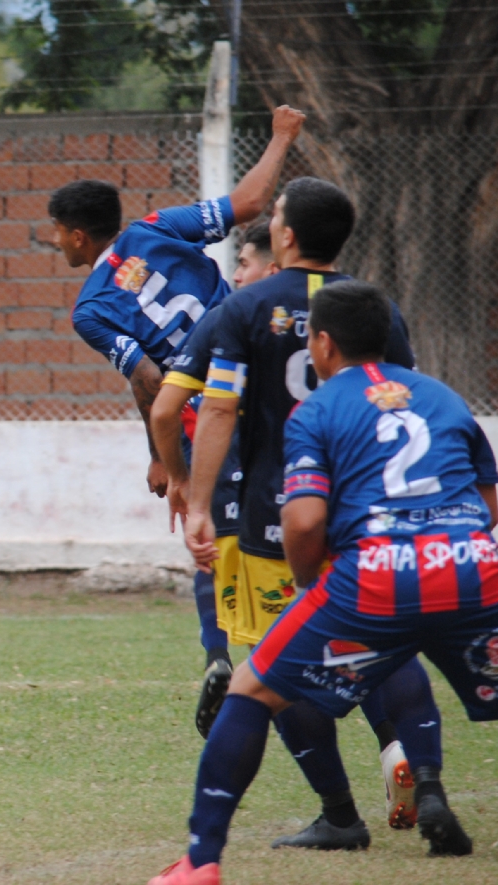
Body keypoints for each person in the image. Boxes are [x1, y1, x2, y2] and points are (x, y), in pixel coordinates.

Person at [148, 281, 498, 885]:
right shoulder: (444, 398)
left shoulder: (317, 410)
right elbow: (487, 509)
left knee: (250, 692)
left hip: (372, 580)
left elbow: (304, 520)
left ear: (322, 344)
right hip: (471, 570)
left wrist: (309, 582)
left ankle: (200, 861)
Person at [174, 176, 442, 849]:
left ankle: (340, 815)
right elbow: (401, 398)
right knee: (386, 643)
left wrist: (198, 502)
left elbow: (216, 407)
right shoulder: (372, 307)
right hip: (364, 516)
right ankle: (422, 774)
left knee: (275, 666)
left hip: (275, 517)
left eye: (276, 214)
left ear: (285, 234)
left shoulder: (246, 305)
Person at [51, 104, 305, 732]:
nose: (54, 241)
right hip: (269, 384)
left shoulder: (90, 309)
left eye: (55, 232)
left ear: (78, 236)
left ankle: (224, 657)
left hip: (208, 413)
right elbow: (249, 202)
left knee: (209, 535)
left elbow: (148, 380)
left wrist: (168, 463)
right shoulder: (156, 227)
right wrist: (281, 137)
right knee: (299, 523)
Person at [150, 222, 278, 735]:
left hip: (240, 467)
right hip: (319, 481)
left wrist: (182, 481)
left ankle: (220, 658)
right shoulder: (350, 308)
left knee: (216, 560)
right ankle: (398, 745)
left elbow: (170, 407)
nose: (236, 275)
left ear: (275, 260)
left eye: (243, 263)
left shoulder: (230, 315)